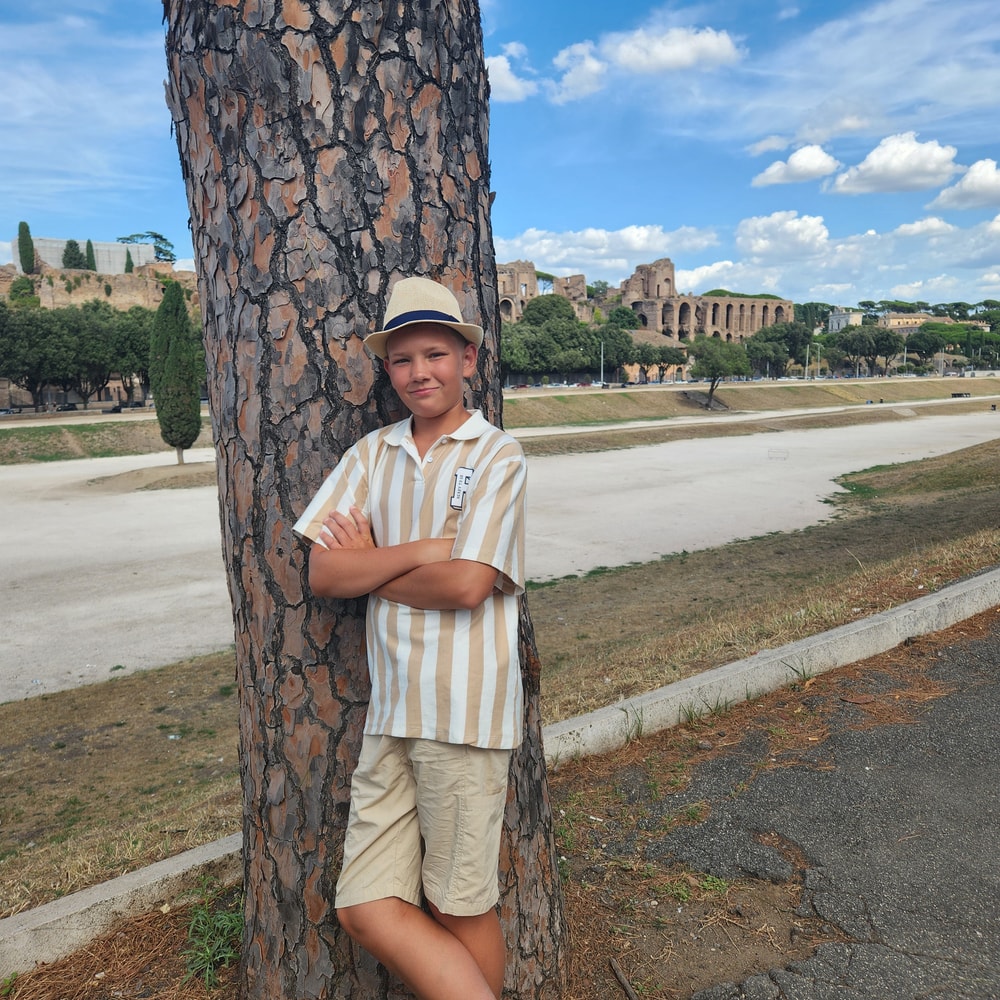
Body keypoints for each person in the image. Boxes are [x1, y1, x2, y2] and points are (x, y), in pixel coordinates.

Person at [294, 276, 527, 999]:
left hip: (463, 712)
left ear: (468, 359)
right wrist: (423, 551)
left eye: (435, 354)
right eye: (402, 359)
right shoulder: (371, 455)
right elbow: (324, 573)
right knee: (365, 905)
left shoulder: (497, 456)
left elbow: (468, 586)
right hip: (392, 712)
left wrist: (372, 565)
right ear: (387, 369)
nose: (419, 372)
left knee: (458, 905)